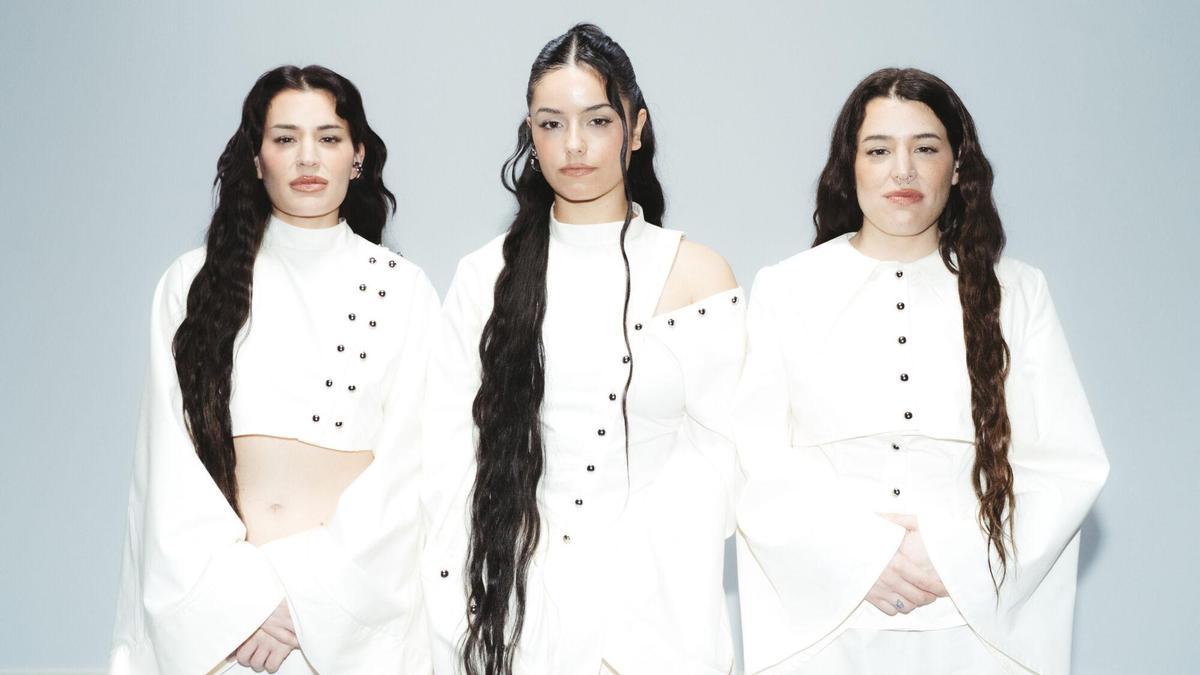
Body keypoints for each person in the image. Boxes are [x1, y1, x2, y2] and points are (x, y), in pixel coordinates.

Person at [734, 68, 1109, 674]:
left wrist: (956, 559)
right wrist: (861, 559)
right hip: (830, 630)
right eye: (879, 150)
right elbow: (755, 460)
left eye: (926, 149)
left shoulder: (1019, 292)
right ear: (850, 166)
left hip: (976, 631)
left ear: (957, 167)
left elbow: (1066, 466)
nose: (902, 171)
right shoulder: (786, 291)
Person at [420, 23, 744, 675]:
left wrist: (645, 574)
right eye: (551, 124)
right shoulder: (484, 277)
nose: (573, 144)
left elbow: (732, 456)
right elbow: (446, 457)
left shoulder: (697, 274)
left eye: (597, 120)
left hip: (659, 622)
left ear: (637, 128)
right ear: (530, 134)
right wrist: (468, 608)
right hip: (509, 614)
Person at [109, 65, 437, 674]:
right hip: (222, 627)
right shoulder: (191, 282)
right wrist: (243, 602)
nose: (307, 156)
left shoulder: (403, 289)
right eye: (285, 138)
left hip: (343, 621)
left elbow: (409, 468)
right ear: (256, 160)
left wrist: (305, 595)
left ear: (358, 156)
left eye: (329, 137)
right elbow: (167, 464)